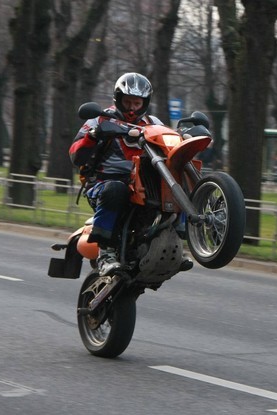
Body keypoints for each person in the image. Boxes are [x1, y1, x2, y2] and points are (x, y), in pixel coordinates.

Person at [69, 72, 190, 276]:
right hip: (103, 183)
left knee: (179, 182)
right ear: (118, 100)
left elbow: (168, 141)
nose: (132, 108)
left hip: (144, 185)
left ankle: (179, 240)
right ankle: (105, 253)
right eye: (128, 102)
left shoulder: (152, 122)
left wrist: (184, 135)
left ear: (145, 103)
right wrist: (93, 135)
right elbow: (75, 155)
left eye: (137, 103)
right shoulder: (100, 119)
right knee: (116, 189)